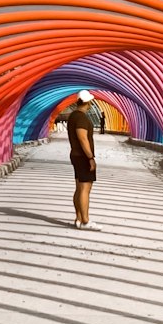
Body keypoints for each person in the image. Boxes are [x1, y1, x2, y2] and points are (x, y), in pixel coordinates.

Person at [66, 89, 100, 230]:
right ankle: (85, 221)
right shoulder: (81, 118)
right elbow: (82, 138)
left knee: (79, 188)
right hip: (82, 157)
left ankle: (78, 219)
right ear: (87, 102)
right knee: (85, 188)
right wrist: (90, 158)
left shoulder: (73, 116)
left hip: (75, 155)